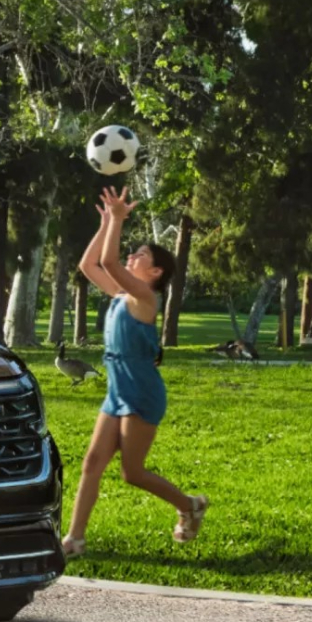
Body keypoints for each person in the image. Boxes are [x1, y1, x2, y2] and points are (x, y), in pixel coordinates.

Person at [61, 187, 209, 558]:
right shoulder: (120, 296)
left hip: (141, 392)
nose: (131, 255)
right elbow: (89, 266)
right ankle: (74, 540)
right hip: (117, 391)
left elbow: (109, 264)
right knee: (92, 463)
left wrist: (117, 219)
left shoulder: (145, 299)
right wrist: (104, 223)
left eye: (140, 255)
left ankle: (190, 505)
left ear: (155, 272)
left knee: (132, 473)